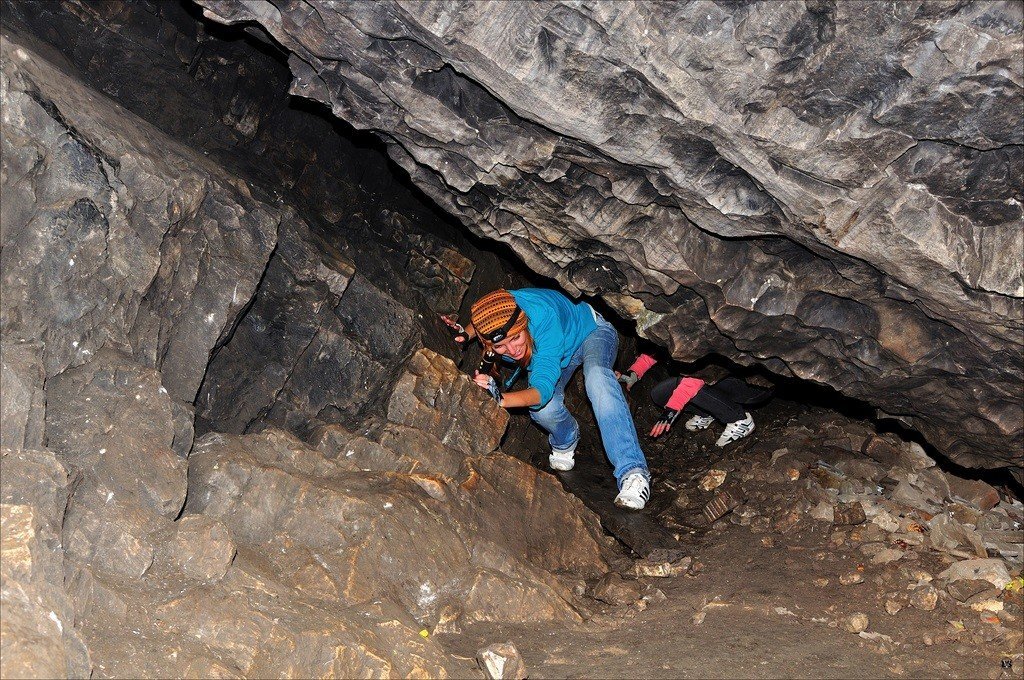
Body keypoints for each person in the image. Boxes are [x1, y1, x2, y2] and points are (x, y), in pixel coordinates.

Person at [443, 288, 651, 509]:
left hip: (590, 331)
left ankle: (633, 472)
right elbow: (481, 322)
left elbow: (541, 391)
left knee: (597, 377)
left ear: (524, 326)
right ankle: (567, 437)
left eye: (516, 338)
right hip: (557, 350)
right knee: (543, 411)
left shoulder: (543, 319)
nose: (513, 350)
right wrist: (463, 334)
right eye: (500, 346)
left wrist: (499, 398)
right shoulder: (501, 307)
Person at [618, 354, 772, 446]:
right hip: (715, 381)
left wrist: (670, 412)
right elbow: (655, 351)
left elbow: (694, 380)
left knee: (688, 384)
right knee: (659, 394)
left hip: (752, 384)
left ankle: (739, 419)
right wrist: (634, 373)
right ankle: (707, 412)